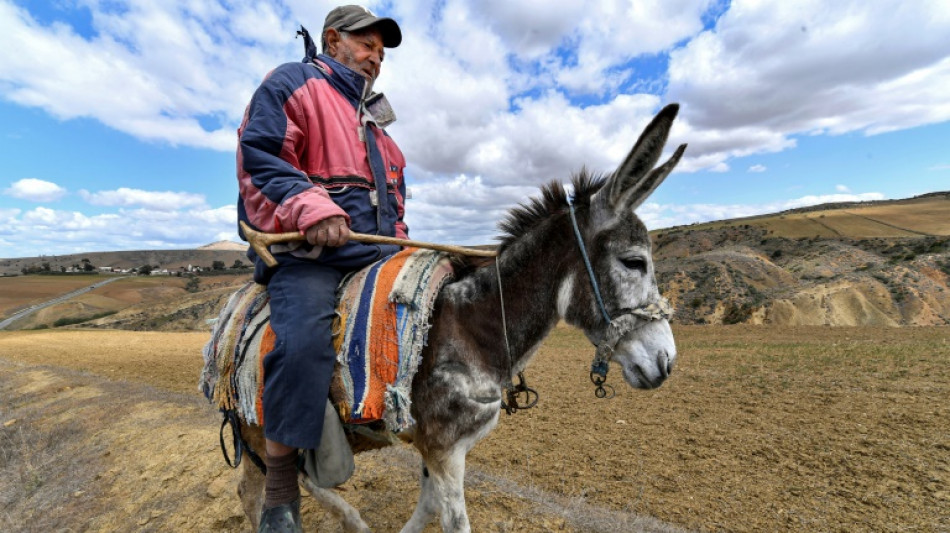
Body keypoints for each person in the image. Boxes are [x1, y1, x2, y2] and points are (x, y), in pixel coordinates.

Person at [236, 5, 406, 531]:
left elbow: (394, 205)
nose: (375, 58)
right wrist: (315, 209)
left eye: (380, 52)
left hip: (373, 253)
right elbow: (260, 155)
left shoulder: (379, 125)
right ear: (333, 39)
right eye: (366, 46)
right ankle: (281, 490)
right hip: (309, 257)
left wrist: (400, 245)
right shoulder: (293, 83)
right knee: (303, 344)